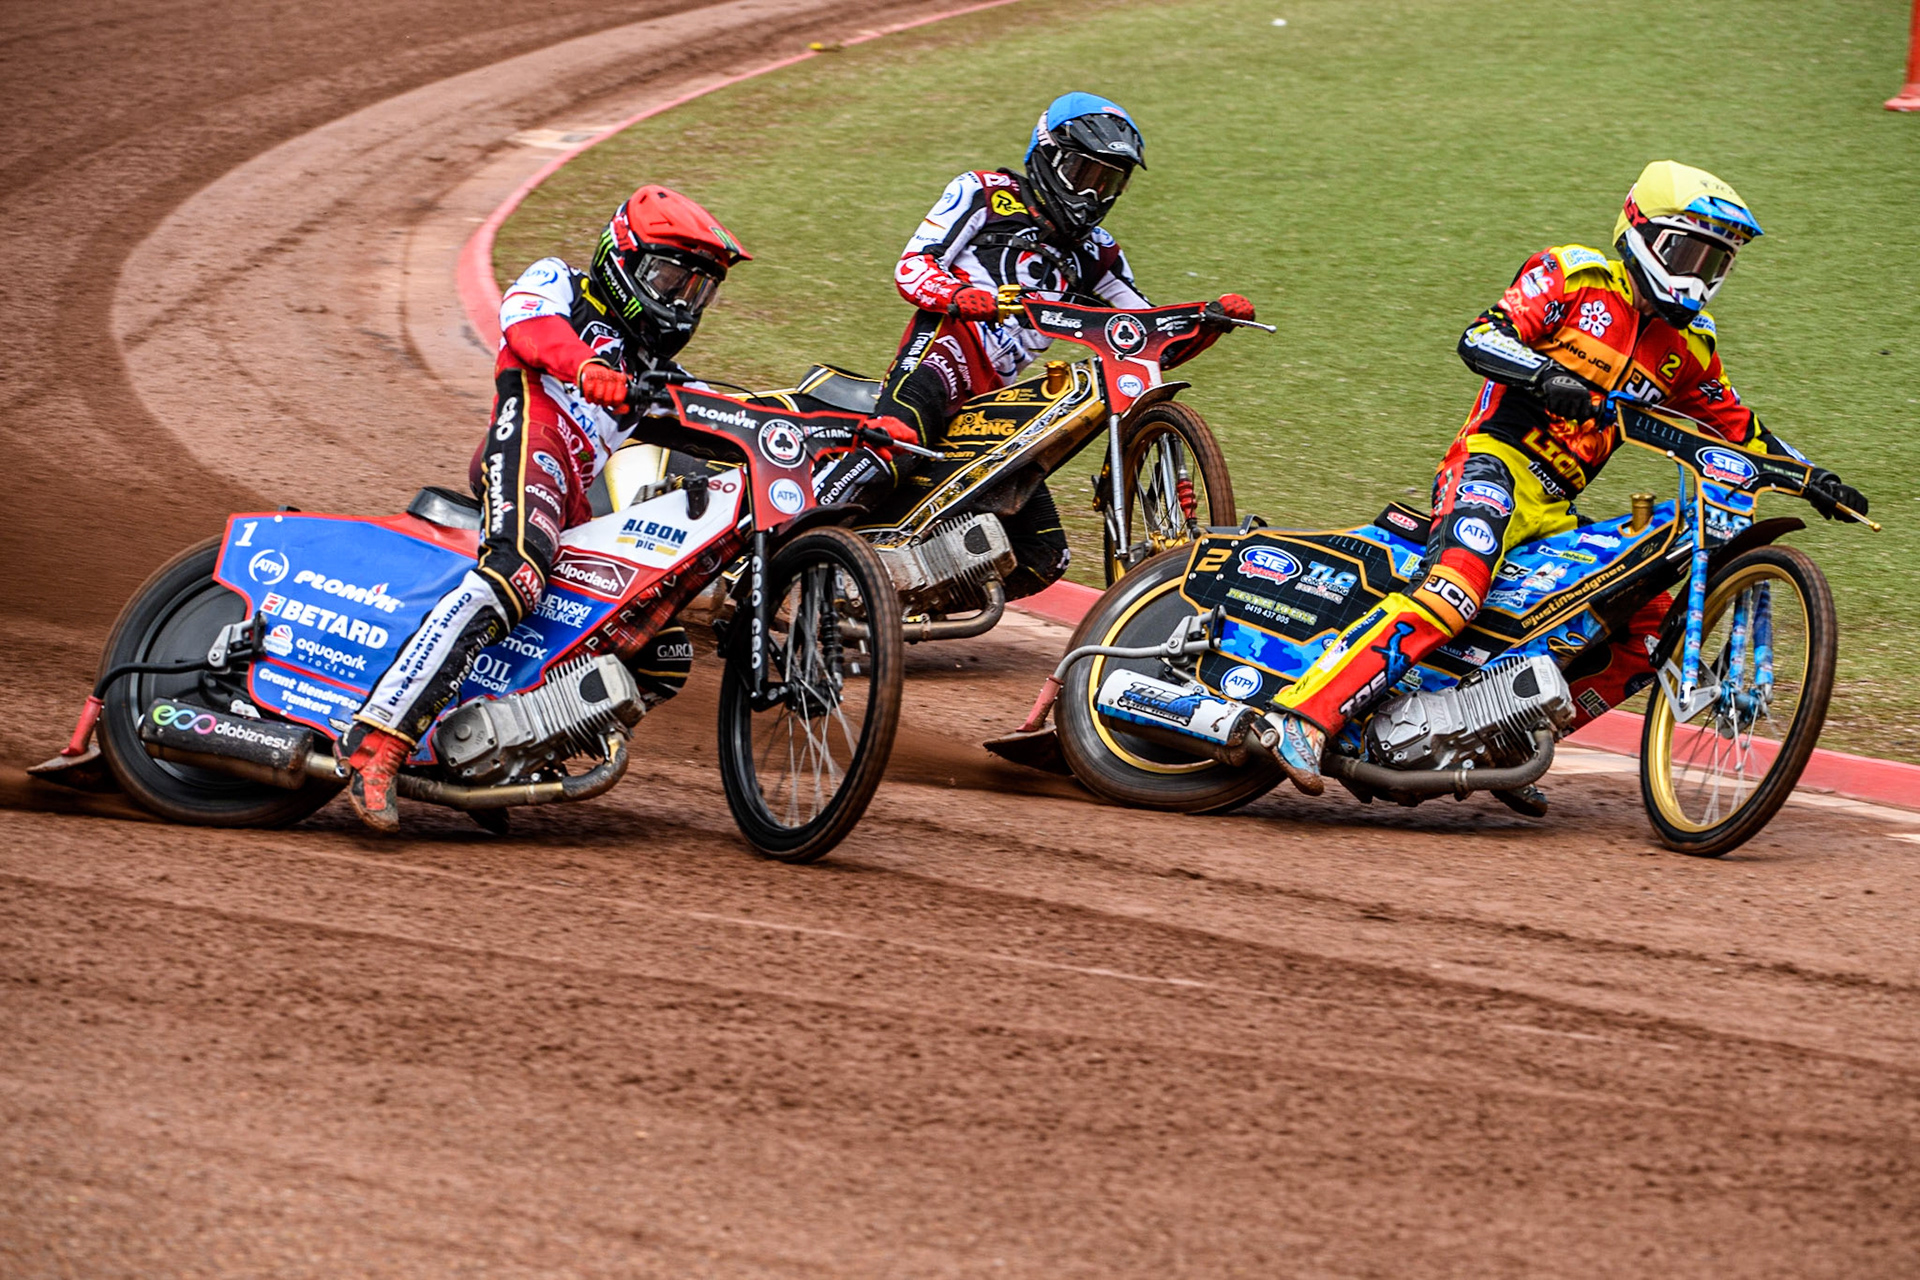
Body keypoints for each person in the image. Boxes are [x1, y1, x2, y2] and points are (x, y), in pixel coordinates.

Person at [1262, 161, 1869, 798]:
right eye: (1687, 252)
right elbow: (1480, 338)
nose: (1698, 276)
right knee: (1457, 589)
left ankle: (1501, 740)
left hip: (1557, 504)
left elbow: (1742, 431)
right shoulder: (1573, 275)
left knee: (1647, 627)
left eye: (1714, 264)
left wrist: (1812, 475)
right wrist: (1543, 375)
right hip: (1491, 462)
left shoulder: (1691, 347)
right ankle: (1303, 717)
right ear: (1641, 234)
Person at [340, 185, 750, 831]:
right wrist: (589, 369)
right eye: (670, 279)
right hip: (532, 435)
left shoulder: (658, 369)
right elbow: (528, 330)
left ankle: (502, 750)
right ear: (624, 262)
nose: (680, 301)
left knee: (657, 649)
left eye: (697, 290)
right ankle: (379, 740)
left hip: (576, 491)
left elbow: (736, 416)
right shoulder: (560, 283)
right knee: (518, 571)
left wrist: (843, 425)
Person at [816, 91, 1256, 597]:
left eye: (1109, 182)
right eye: (1084, 175)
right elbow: (913, 266)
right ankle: (783, 542)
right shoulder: (982, 192)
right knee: (896, 445)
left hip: (997, 398)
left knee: (1045, 557)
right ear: (1047, 156)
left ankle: (886, 601)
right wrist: (960, 295)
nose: (1093, 196)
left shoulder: (1098, 252)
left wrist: (1206, 322)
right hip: (943, 354)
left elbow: (1142, 334)